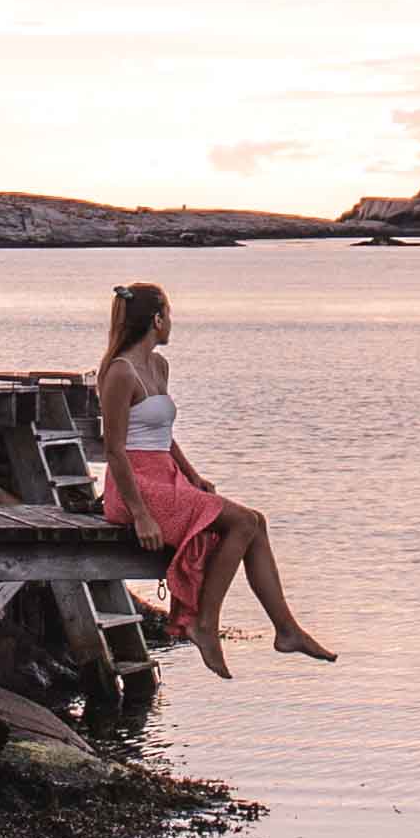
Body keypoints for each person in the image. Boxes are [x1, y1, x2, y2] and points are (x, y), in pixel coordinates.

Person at [93, 282, 334, 675]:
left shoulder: (158, 367)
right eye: (168, 313)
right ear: (156, 320)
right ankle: (205, 624)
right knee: (243, 521)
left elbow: (162, 437)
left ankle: (286, 629)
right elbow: (115, 450)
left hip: (165, 476)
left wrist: (193, 475)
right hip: (132, 486)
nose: (171, 321)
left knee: (256, 521)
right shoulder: (120, 372)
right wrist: (139, 514)